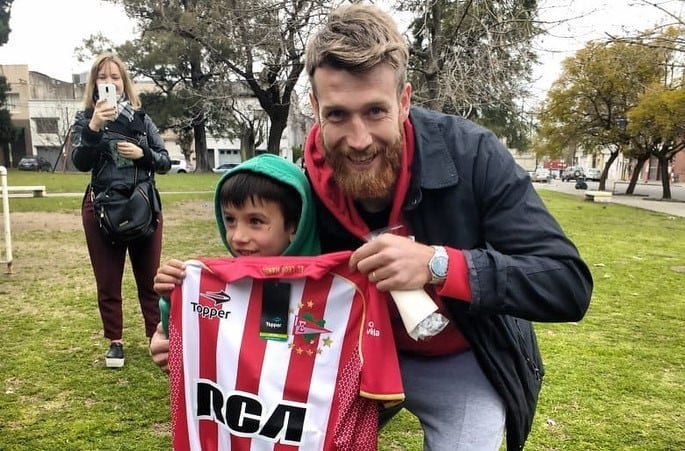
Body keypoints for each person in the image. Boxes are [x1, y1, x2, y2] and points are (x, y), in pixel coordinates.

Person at [151, 4, 593, 449]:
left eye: (376, 111)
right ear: (315, 106)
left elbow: (567, 284)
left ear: (404, 100)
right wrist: (190, 331)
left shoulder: (473, 155)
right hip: (350, 358)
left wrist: (439, 265)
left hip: (461, 358)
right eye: (338, 114)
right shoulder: (304, 185)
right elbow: (274, 279)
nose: (359, 140)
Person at [150, 153, 321, 372]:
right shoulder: (221, 285)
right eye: (230, 220)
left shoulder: (331, 290)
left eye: (256, 221)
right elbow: (190, 344)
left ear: (294, 227)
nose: (238, 236)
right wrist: (173, 298)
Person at [71, 51, 171, 368]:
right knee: (108, 279)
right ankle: (115, 342)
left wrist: (142, 153)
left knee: (150, 279)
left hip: (142, 206)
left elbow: (165, 162)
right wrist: (95, 126)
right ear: (94, 83)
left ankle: (156, 336)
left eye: (115, 77)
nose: (110, 82)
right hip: (102, 207)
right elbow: (79, 161)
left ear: (124, 83)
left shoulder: (142, 120)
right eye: (103, 77)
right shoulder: (85, 118)